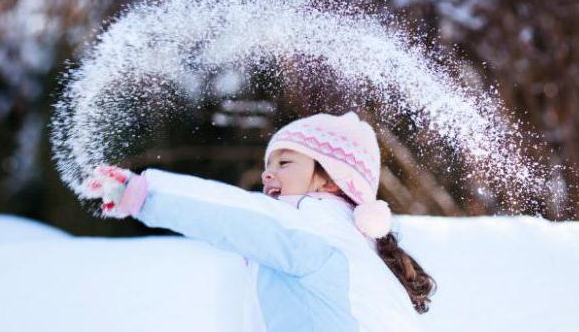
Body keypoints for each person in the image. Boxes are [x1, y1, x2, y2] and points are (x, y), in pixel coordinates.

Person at [83, 111, 436, 332]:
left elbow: (235, 217)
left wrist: (147, 195)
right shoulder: (354, 242)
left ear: (331, 180)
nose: (268, 176)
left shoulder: (312, 223)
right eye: (267, 167)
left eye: (284, 164)